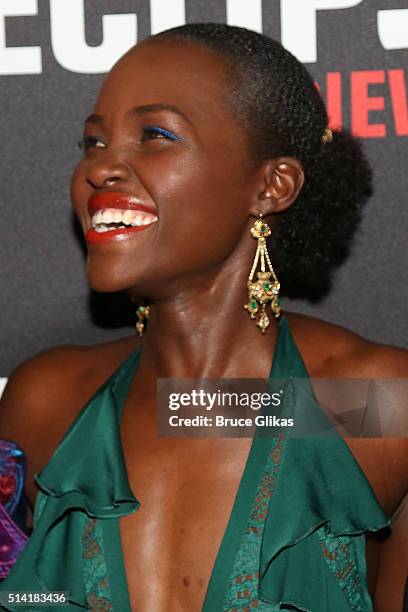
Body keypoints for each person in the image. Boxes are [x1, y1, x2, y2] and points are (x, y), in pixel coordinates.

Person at [0, 23, 407, 612]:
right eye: (93, 142)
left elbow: (211, 410)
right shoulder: (46, 404)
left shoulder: (376, 404)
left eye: (155, 134)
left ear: (272, 185)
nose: (101, 169)